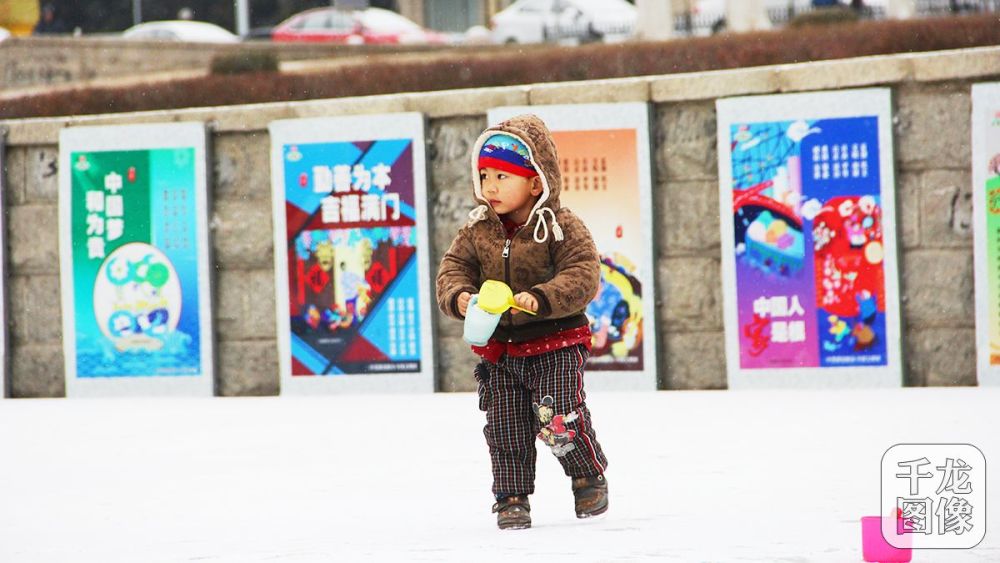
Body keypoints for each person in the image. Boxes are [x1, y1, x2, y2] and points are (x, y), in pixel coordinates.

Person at [436, 114, 608, 530]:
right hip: (500, 350)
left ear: (536, 182)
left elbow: (583, 273)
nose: (490, 186)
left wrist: (543, 297)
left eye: (502, 176)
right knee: (506, 426)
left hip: (556, 342)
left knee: (558, 417)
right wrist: (460, 298)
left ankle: (587, 475)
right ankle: (511, 497)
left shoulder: (561, 227)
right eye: (484, 175)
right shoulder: (476, 231)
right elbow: (452, 270)